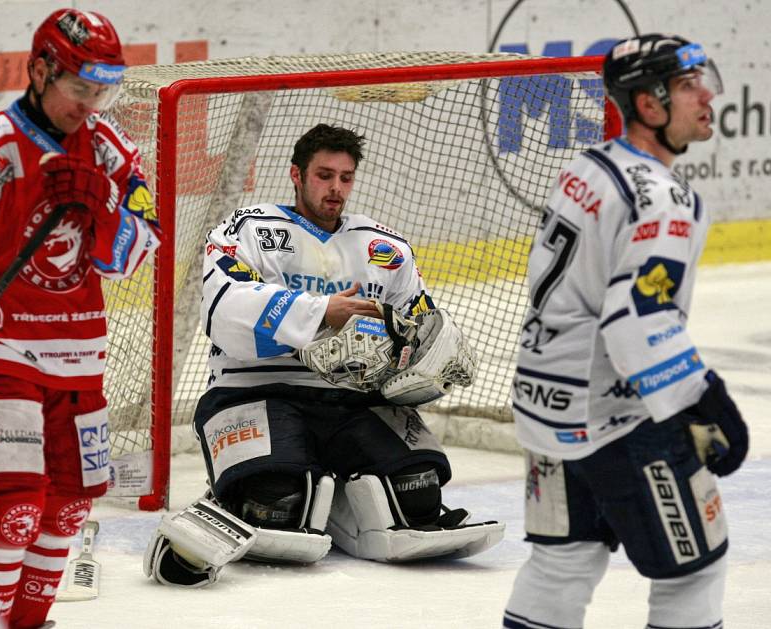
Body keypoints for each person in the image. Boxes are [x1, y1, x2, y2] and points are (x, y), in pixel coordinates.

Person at [143, 123, 504, 587]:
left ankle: (331, 494)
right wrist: (321, 313)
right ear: (297, 174)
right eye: (324, 175)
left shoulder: (384, 248)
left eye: (346, 178)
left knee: (418, 491)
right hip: (256, 389)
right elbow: (223, 310)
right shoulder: (249, 229)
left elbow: (420, 320)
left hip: (353, 401)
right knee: (275, 500)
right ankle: (243, 492)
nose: (336, 188)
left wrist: (416, 349)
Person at [502, 34, 749, 629]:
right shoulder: (665, 198)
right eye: (690, 86)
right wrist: (705, 399)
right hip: (616, 417)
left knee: (562, 564)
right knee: (694, 571)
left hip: (543, 403)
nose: (708, 96)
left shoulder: (587, 168)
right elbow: (638, 320)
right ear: (648, 105)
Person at [0, 9, 159, 628]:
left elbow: (135, 253)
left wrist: (104, 204)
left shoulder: (114, 153)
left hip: (80, 357)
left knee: (71, 507)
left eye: (101, 89)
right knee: (13, 509)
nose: (90, 103)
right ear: (40, 69)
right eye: (80, 87)